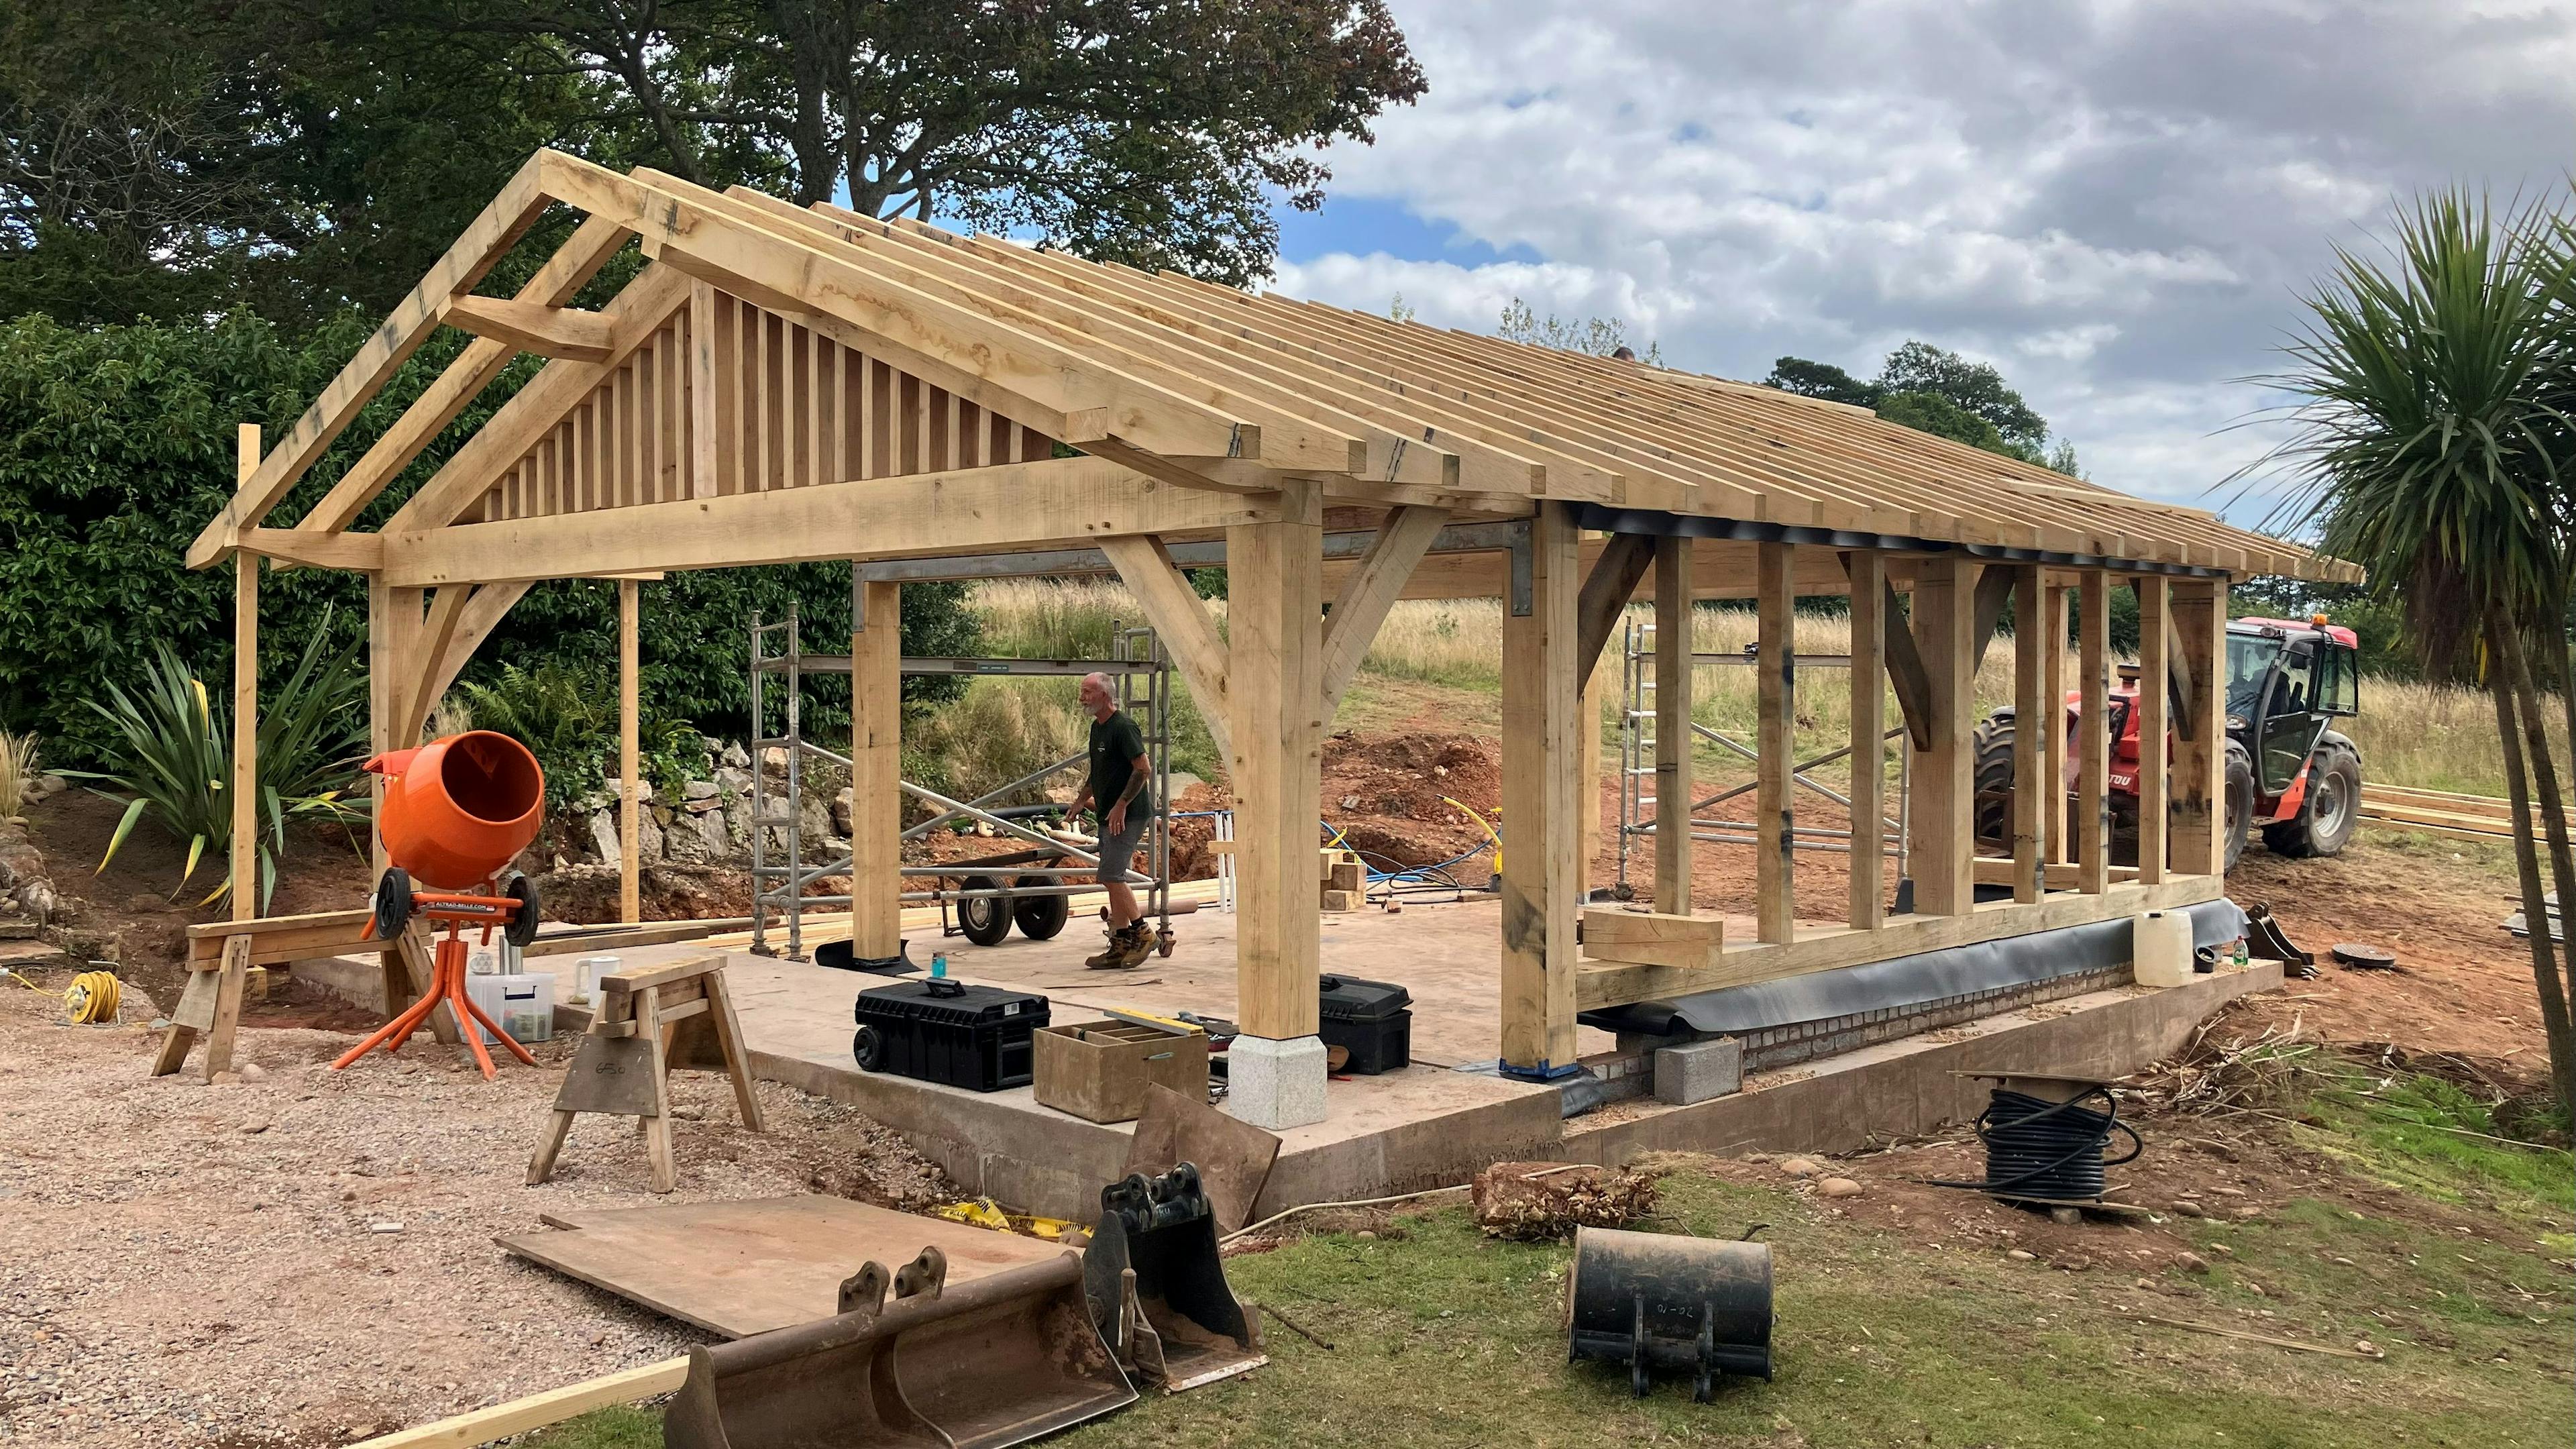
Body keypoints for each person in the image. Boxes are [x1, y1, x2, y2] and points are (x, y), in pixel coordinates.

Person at [1067, 671, 1157, 969]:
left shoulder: (1123, 727)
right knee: (1110, 879)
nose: (1082, 698)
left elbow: (1143, 769)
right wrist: (1081, 800)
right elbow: (1099, 772)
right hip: (1109, 814)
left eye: (1087, 692)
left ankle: (1143, 934)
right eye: (1082, 692)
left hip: (1127, 815)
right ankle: (1119, 943)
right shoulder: (1098, 728)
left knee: (1111, 875)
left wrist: (1121, 805)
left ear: (1104, 695)